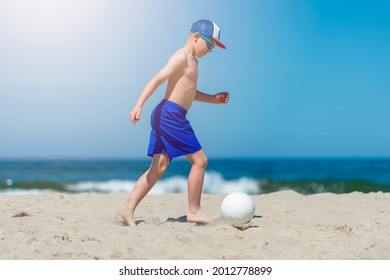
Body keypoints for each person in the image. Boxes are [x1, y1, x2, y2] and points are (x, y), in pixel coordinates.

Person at [119, 19, 229, 226]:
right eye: (210, 44)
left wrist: (213, 99)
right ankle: (194, 210)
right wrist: (138, 105)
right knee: (200, 160)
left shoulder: (193, 62)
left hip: (169, 115)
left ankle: (127, 208)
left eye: (215, 46)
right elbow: (157, 79)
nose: (211, 49)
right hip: (170, 115)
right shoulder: (181, 58)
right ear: (196, 36)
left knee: (159, 166)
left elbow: (189, 92)